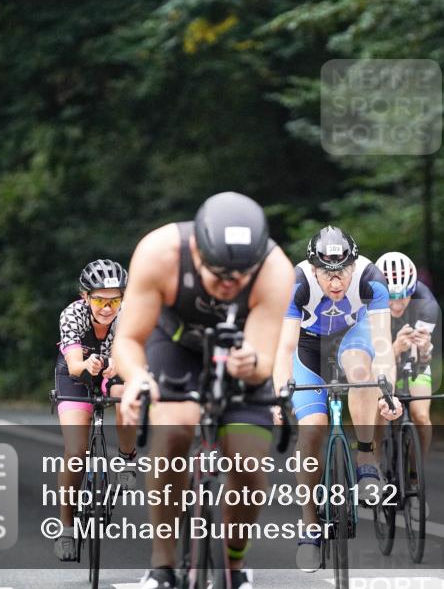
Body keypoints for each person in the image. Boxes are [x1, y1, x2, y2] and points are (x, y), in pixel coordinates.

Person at [115, 192, 296, 589]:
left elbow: (263, 361)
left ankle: (234, 564)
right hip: (174, 347)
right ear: (196, 250)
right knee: (174, 431)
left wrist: (250, 366)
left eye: (240, 278)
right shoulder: (160, 252)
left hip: (239, 356)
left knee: (249, 465)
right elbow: (128, 339)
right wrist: (138, 379)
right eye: (218, 276)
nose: (229, 286)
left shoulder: (276, 270)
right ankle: (163, 565)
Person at [273, 226, 402, 573]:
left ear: (353, 265)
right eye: (326, 274)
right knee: (312, 428)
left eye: (342, 272)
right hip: (308, 348)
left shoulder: (371, 279)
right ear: (313, 268)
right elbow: (284, 348)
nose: (334, 282)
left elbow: (382, 343)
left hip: (353, 337)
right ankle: (310, 525)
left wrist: (386, 387)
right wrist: (279, 396)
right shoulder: (297, 282)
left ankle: (365, 460)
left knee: (362, 373)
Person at [52, 259, 136, 562]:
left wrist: (119, 365)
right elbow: (75, 365)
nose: (107, 307)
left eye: (115, 299)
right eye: (100, 299)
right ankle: (66, 528)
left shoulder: (128, 315)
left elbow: (135, 355)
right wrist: (88, 365)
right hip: (76, 374)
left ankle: (127, 459)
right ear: (85, 296)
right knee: (75, 452)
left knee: (126, 396)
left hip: (114, 370)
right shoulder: (72, 314)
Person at [375, 251, 441, 462]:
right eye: (390, 298)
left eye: (402, 296)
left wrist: (423, 350)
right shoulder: (370, 303)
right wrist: (394, 349)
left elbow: (422, 361)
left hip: (414, 362)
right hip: (381, 361)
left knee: (421, 417)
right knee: (378, 412)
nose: (395, 304)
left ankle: (415, 469)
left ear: (412, 290)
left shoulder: (427, 306)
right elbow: (372, 357)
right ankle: (372, 464)